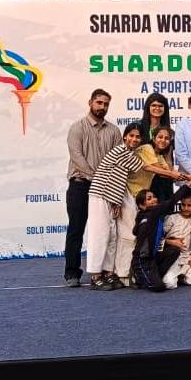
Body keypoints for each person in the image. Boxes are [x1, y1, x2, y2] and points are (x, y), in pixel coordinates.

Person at [87, 123, 186, 291]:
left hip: (113, 198)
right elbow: (146, 167)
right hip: (100, 195)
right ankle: (96, 276)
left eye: (137, 137)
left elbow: (119, 179)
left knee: (112, 236)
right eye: (131, 135)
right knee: (100, 235)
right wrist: (174, 174)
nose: (134, 139)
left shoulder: (132, 153)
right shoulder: (122, 151)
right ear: (124, 136)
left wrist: (116, 201)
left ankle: (109, 273)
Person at [63, 89, 121, 287]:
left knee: (105, 232)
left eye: (106, 104)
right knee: (76, 230)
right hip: (81, 185)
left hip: (105, 189)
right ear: (90, 103)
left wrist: (109, 185)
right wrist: (97, 178)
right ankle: (72, 273)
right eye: (99, 103)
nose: (102, 107)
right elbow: (77, 157)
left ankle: (103, 272)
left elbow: (118, 160)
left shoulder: (114, 131)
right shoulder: (77, 128)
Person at [118, 127, 186, 286]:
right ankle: (123, 274)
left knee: (138, 237)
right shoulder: (147, 148)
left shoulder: (160, 157)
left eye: (167, 138)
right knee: (128, 237)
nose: (163, 140)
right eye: (160, 137)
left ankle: (138, 272)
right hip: (129, 194)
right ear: (153, 138)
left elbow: (168, 173)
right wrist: (175, 174)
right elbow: (153, 167)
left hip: (140, 198)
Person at [132, 186, 191, 292]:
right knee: (161, 286)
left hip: (158, 257)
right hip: (143, 260)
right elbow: (171, 202)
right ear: (142, 205)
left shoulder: (156, 217)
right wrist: (172, 241)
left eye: (154, 197)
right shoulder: (147, 220)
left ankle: (162, 276)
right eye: (149, 199)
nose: (154, 200)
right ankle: (138, 276)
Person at [162, 193, 191, 289]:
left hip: (187, 258)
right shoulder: (172, 218)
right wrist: (172, 242)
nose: (185, 208)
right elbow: (159, 238)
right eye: (183, 205)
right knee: (169, 283)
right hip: (173, 259)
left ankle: (181, 278)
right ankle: (173, 276)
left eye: (189, 205)